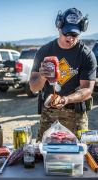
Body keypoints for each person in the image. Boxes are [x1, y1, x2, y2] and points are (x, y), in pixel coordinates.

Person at [29, 8, 97, 142]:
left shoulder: (86, 55)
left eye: (75, 34)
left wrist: (66, 99)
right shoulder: (44, 51)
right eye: (67, 33)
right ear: (59, 28)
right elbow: (33, 88)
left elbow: (87, 90)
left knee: (79, 156)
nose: (70, 38)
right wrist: (42, 76)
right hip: (49, 115)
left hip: (77, 115)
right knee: (43, 154)